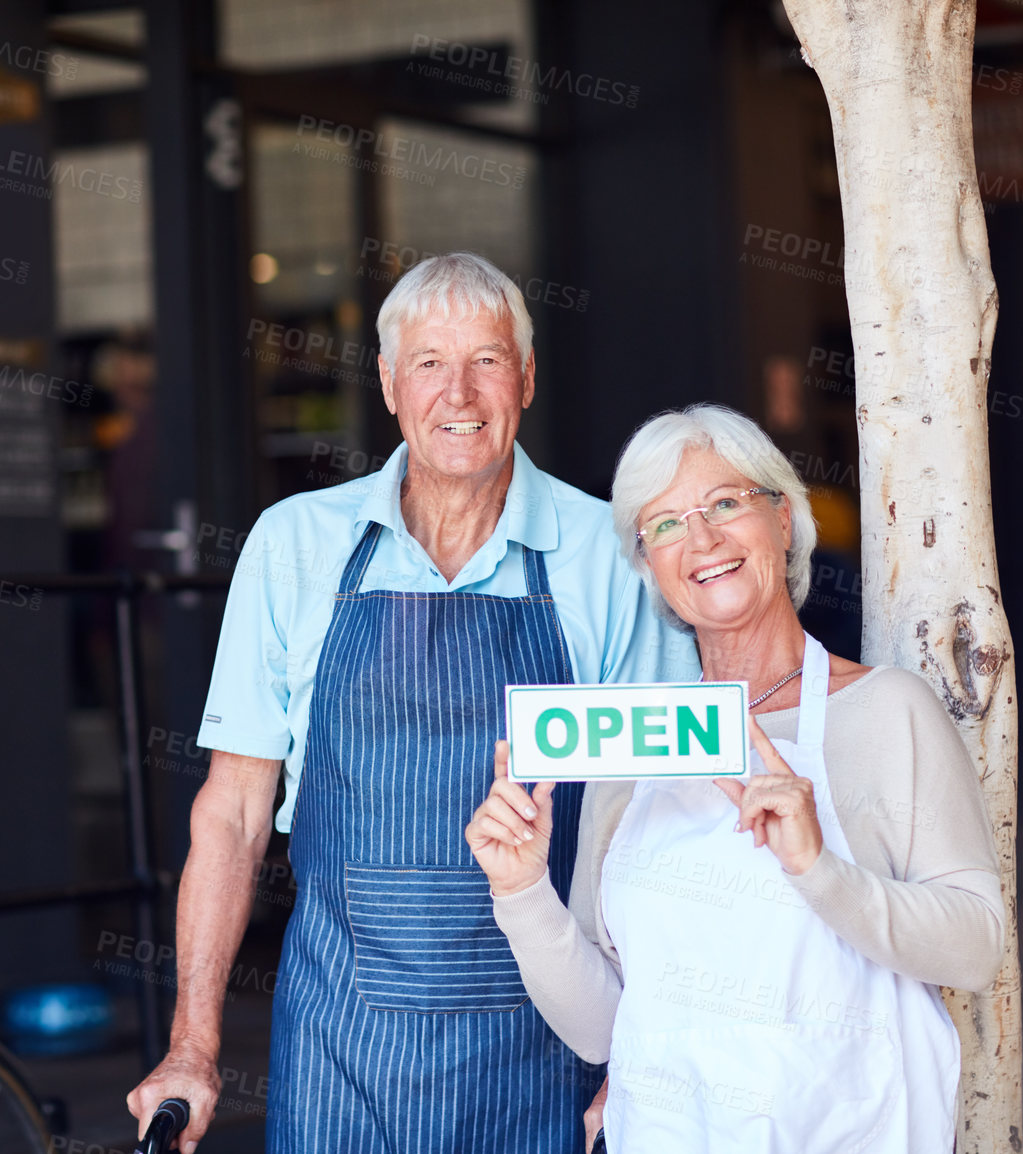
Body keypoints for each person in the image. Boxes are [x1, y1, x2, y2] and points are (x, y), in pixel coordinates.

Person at [126, 253, 699, 1152]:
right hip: (340, 1044)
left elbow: (664, 823)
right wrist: (191, 1048)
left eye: (488, 359)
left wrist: (646, 1053)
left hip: (549, 1042)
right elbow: (233, 815)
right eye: (429, 362)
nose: (459, 393)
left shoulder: (609, 554)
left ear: (528, 377)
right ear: (391, 384)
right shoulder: (295, 546)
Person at [468, 403, 1006, 1152]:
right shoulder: (627, 750)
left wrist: (818, 870)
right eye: (664, 525)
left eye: (726, 503)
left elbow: (977, 948)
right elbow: (603, 1031)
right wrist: (522, 893)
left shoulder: (887, 713)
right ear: (649, 566)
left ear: (782, 521)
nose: (702, 539)